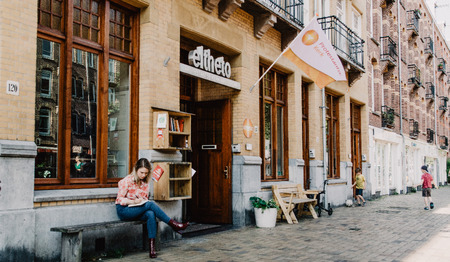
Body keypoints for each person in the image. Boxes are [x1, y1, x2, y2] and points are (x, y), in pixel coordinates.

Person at [116, 158, 189, 258]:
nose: (143, 175)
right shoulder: (127, 181)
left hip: (137, 209)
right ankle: (174, 224)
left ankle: (152, 248)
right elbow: (119, 200)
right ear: (136, 169)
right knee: (150, 205)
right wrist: (133, 201)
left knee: (150, 213)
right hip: (124, 211)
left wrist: (141, 200)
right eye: (141, 172)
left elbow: (145, 199)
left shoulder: (145, 183)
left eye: (146, 173)